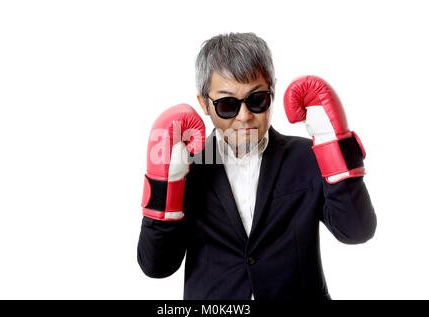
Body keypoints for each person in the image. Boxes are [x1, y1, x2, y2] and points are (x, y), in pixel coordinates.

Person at [138, 32, 376, 300]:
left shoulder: (309, 156)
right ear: (204, 103)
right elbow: (157, 266)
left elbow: (357, 231)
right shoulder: (187, 168)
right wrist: (164, 187)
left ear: (272, 92)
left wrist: (335, 146)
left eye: (257, 99)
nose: (244, 116)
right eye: (227, 104)